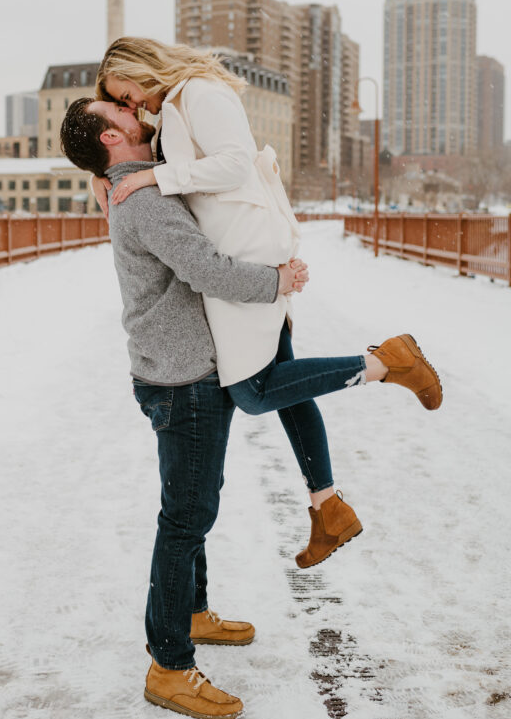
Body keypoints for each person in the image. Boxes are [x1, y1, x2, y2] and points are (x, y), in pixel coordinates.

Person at [92, 37, 442, 569]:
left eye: (129, 93)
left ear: (144, 70)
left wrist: (155, 175)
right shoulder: (175, 107)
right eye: (124, 103)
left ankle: (385, 362)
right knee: (283, 377)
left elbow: (234, 166)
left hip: (244, 247)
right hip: (232, 244)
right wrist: (106, 176)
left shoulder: (202, 92)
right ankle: (327, 507)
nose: (135, 105)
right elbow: (133, 157)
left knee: (252, 391)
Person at [60, 95, 298, 719]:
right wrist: (279, 281)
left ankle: (192, 612)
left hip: (174, 369)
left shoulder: (135, 185)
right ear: (112, 140)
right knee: (186, 515)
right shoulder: (142, 199)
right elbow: (206, 269)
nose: (132, 110)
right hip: (183, 379)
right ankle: (169, 665)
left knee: (192, 500)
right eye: (119, 112)